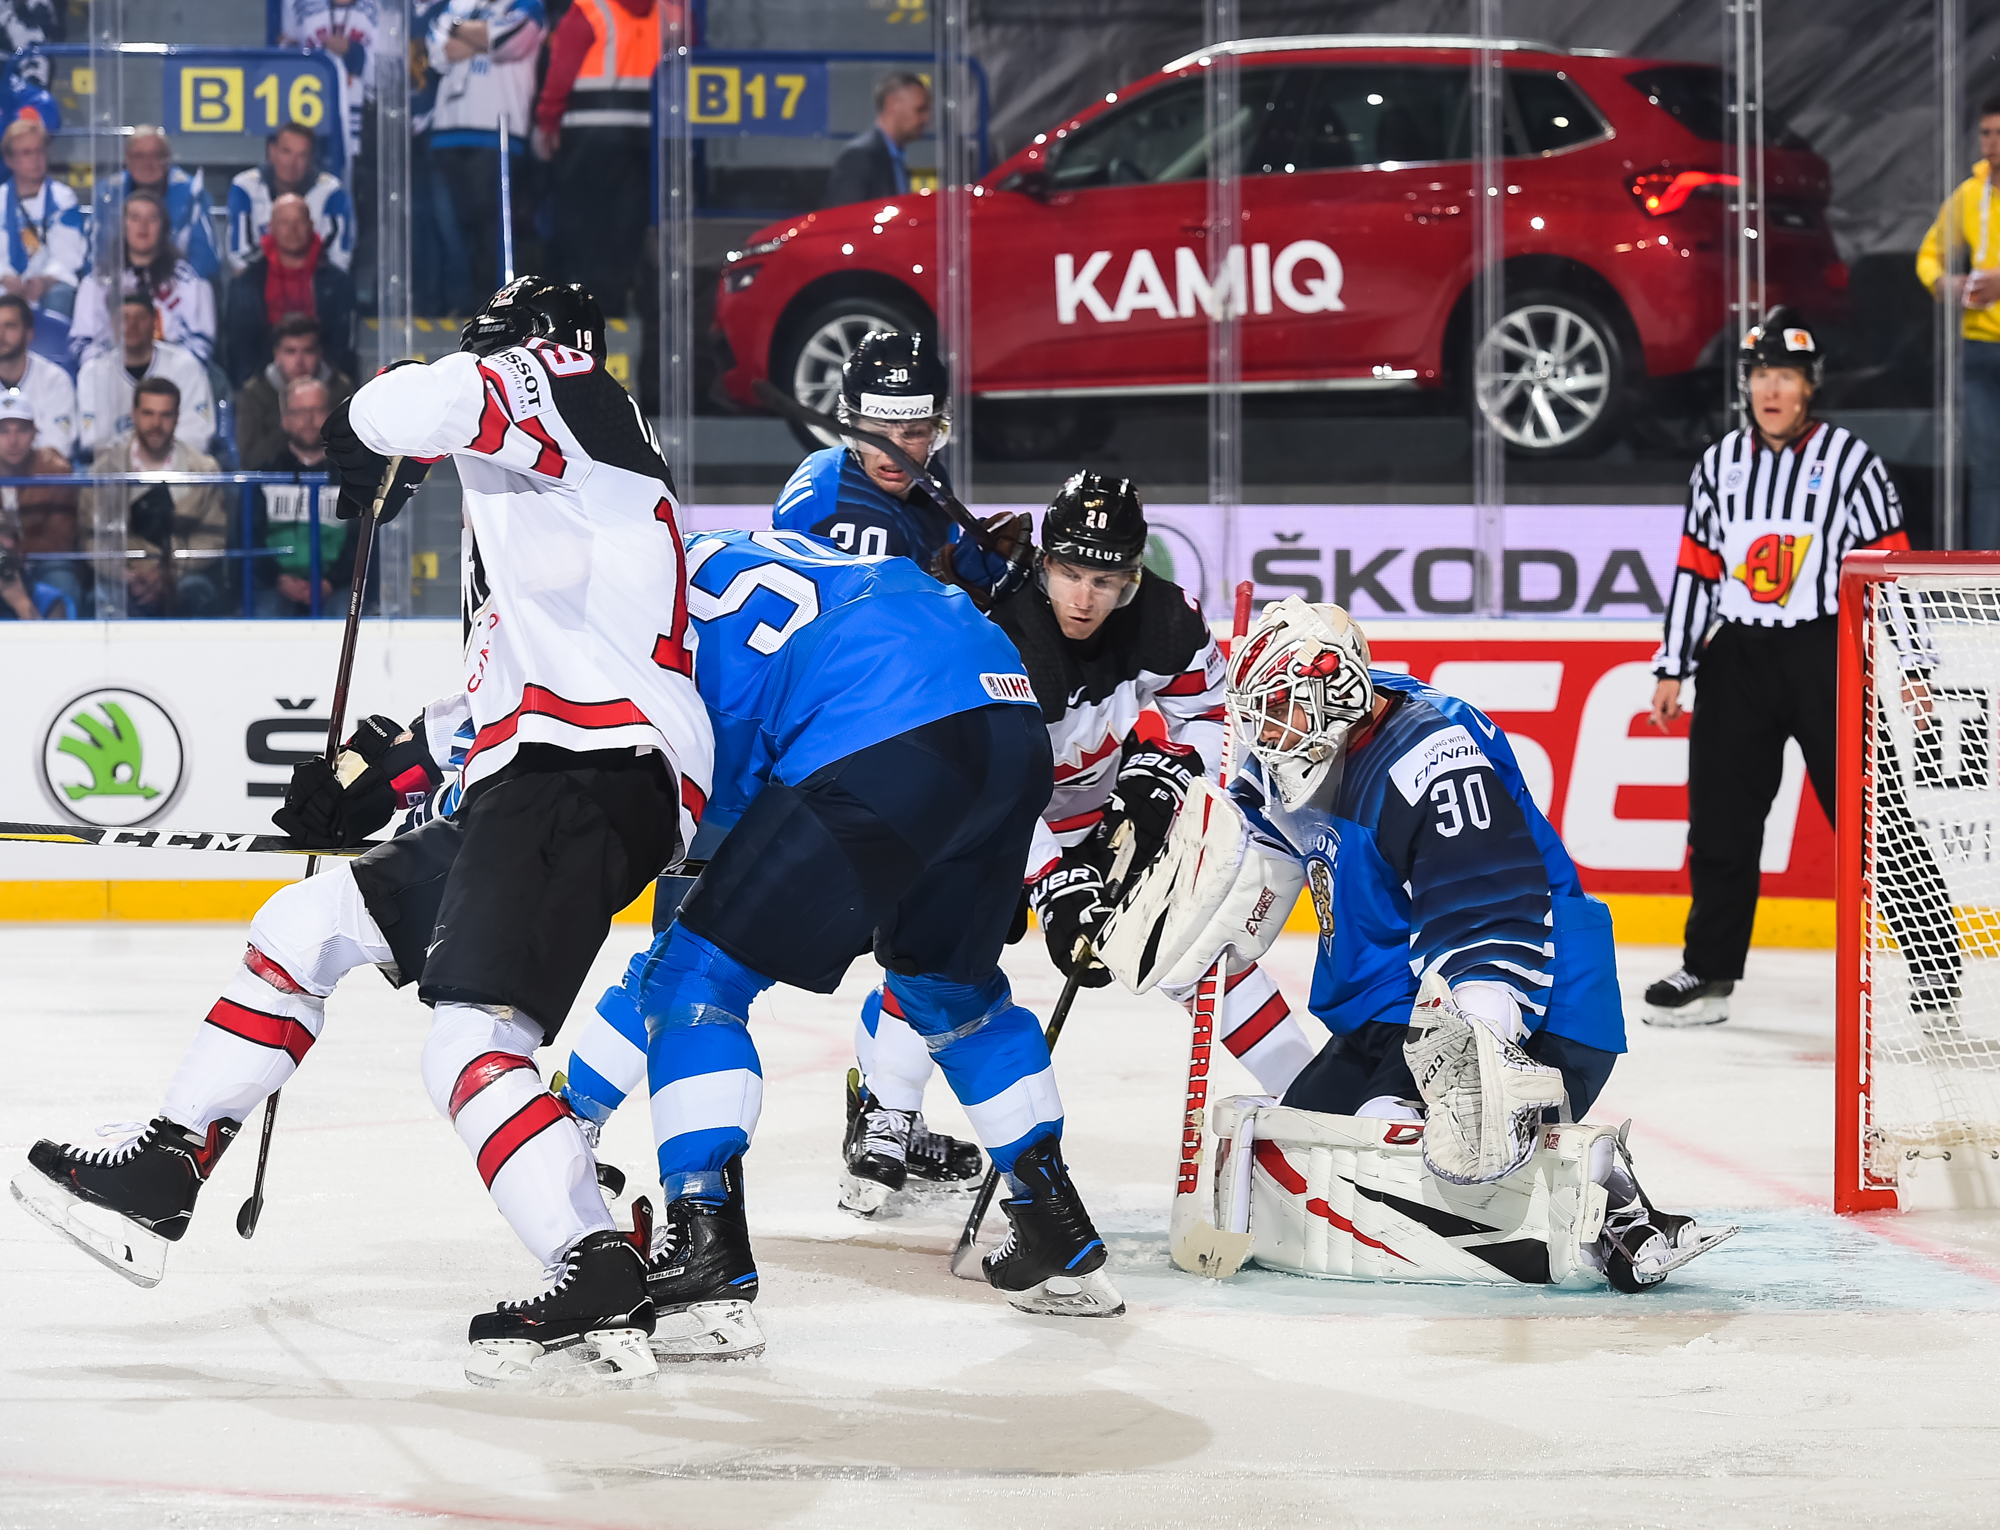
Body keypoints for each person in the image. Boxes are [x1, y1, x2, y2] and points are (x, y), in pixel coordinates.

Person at [556, 527, 1123, 1339]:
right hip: (1007, 716)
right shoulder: (727, 545)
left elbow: (697, 789)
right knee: (952, 991)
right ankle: (1056, 1230)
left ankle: (706, 1249)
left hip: (881, 728)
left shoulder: (625, 611)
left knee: (692, 978)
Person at [1103, 596, 1727, 1287]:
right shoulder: (1295, 752)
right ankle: (1471, 1138)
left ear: (1336, 686)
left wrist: (1479, 1069)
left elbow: (1492, 924)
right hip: (1395, 1013)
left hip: (1539, 1005)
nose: (1270, 733)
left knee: (1399, 1136)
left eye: (1284, 707)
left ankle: (1610, 1196)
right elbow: (1242, 896)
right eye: (1261, 714)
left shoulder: (1431, 753)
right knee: (1306, 1147)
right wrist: (1158, 904)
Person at [835, 475, 1319, 1216]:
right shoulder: (999, 631)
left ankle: (1310, 1096)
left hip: (1094, 810)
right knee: (943, 953)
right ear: (1042, 563)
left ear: (1132, 576)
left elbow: (1211, 712)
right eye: (1069, 573)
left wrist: (1171, 768)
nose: (1084, 599)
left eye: (1104, 580)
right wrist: (1053, 879)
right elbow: (992, 779)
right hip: (974, 805)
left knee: (1192, 945)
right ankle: (887, 1107)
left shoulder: (1163, 619)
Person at [1645, 308, 1960, 1026]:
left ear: (1809, 386)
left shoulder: (1852, 462)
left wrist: (1914, 666)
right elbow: (1697, 570)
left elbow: (1891, 569)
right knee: (1720, 824)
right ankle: (1710, 973)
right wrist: (1674, 665)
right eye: (1760, 376)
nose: (1771, 390)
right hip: (1738, 660)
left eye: (1785, 376)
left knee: (1874, 818)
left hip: (1823, 653)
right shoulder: (1718, 465)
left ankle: (1936, 972)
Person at [769, 329, 1026, 604]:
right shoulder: (854, 520)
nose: (896, 455)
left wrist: (953, 572)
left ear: (935, 431)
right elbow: (872, 634)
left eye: (913, 433)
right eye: (877, 435)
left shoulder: (920, 476)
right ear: (851, 428)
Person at [532, 0, 657, 316]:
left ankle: (585, 316)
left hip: (587, 140)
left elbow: (561, 71)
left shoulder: (590, 10)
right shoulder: (673, 13)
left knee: (585, 235)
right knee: (627, 235)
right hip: (648, 141)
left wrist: (547, 122)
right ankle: (617, 311)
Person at [1918, 95, 2000, 551]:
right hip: (1980, 349)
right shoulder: (1970, 195)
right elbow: (1928, 255)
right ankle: (1986, 583)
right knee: (1987, 469)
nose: (1992, 143)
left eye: (1999, 133)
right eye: (1986, 133)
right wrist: (1948, 284)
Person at [426, 0, 548, 293]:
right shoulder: (458, 4)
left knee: (491, 234)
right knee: (448, 230)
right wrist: (479, 37)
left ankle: (493, 307)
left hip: (498, 134)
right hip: (446, 131)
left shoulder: (529, 5)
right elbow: (437, 53)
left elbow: (505, 41)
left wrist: (457, 30)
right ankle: (459, 303)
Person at [83, 376, 227, 618]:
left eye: (165, 415)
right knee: (101, 598)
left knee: (197, 592)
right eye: (148, 413)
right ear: (134, 414)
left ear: (177, 417)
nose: (156, 424)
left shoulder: (204, 469)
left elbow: (213, 538)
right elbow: (91, 537)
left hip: (183, 576)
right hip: (124, 576)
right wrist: (125, 575)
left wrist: (168, 573)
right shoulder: (104, 470)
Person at [222, 193, 359, 389]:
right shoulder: (246, 283)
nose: (292, 230)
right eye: (284, 222)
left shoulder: (339, 284)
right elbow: (238, 347)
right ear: (271, 228)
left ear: (311, 226)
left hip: (325, 387)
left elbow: (344, 347)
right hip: (261, 390)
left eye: (299, 221)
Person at [69, 191, 216, 367]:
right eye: (135, 218)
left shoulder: (189, 281)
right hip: (112, 376)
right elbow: (83, 343)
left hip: (172, 377)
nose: (143, 226)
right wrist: (112, 371)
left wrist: (165, 369)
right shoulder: (97, 281)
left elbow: (200, 344)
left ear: (164, 227)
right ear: (123, 225)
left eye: (152, 219)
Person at [251, 375, 349, 617]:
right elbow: (250, 539)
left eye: (316, 410)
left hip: (337, 586)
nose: (308, 419)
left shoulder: (351, 475)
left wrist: (331, 582)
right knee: (267, 614)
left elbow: (360, 543)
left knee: (346, 615)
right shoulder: (264, 474)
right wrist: (279, 579)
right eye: (299, 412)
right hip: (276, 585)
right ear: (285, 420)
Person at [76, 289, 213, 460]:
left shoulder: (185, 366)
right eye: (123, 318)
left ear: (155, 321)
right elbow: (92, 441)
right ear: (112, 324)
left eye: (140, 317)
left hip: (176, 468)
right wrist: (138, 453)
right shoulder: (93, 373)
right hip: (117, 472)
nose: (132, 325)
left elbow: (198, 436)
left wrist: (151, 453)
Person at [225, 122, 357, 276]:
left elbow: (339, 259)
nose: (292, 163)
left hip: (315, 286)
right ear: (272, 152)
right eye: (286, 152)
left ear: (311, 159)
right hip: (261, 283)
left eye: (302, 155)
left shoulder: (331, 192)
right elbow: (240, 257)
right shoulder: (245, 187)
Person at [0, 118, 85, 352]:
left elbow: (68, 253)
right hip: (6, 282)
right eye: (26, 152)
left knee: (59, 295)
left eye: (40, 151)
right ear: (10, 160)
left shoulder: (63, 198)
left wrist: (45, 280)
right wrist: (6, 277)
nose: (36, 159)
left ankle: (52, 358)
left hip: (49, 284)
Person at [235, 314, 355, 475]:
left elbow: (353, 451)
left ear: (319, 353)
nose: (299, 361)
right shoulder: (255, 393)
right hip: (271, 481)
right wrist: (291, 426)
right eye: (290, 352)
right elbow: (249, 459)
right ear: (277, 354)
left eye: (308, 351)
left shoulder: (340, 389)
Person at [273, 0, 377, 167]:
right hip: (311, 117)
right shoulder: (298, 5)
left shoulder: (379, 7)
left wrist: (353, 51)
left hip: (366, 124)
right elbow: (287, 56)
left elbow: (390, 74)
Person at [0, 386, 77, 610]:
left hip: (46, 562)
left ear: (34, 432)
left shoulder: (55, 470)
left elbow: (59, 540)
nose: (13, 441)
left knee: (62, 577)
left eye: (21, 430)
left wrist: (13, 548)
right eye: (4, 431)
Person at [111, 127, 220, 279]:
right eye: (139, 156)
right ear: (127, 160)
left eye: (155, 156)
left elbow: (204, 260)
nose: (147, 164)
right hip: (121, 284)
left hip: (180, 284)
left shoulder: (191, 193)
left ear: (168, 159)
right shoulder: (109, 193)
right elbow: (97, 256)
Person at [824, 72, 929, 208]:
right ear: (891, 104)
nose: (926, 119)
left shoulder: (896, 159)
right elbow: (843, 221)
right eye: (920, 110)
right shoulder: (859, 158)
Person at [0, 292, 74, 457]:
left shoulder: (55, 380)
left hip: (40, 480)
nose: (1, 335)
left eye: (10, 326)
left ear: (29, 334)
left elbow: (57, 450)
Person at [0, 504, 68, 619]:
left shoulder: (49, 600)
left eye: (4, 533)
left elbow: (51, 637)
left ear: (19, 546)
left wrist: (21, 603)